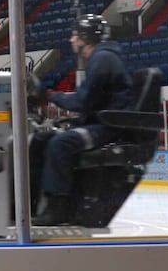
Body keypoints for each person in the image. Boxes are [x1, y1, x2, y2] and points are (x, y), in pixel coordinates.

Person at [31, 14, 132, 225]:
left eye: (75, 35)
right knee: (41, 139)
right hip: (99, 121)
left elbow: (84, 101)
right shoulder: (101, 57)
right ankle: (34, 200)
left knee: (61, 143)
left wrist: (50, 96)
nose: (71, 40)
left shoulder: (103, 58)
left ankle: (58, 208)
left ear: (86, 37)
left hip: (107, 126)